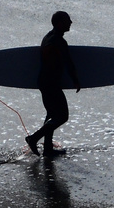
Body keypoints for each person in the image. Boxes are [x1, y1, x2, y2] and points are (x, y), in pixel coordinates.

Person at [26, 11, 81, 158]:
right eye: (67, 20)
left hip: (44, 81)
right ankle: (34, 138)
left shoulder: (47, 37)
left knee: (52, 115)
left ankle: (48, 149)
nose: (71, 22)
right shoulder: (58, 41)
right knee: (62, 116)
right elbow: (68, 63)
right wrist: (75, 79)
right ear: (59, 23)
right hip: (51, 84)